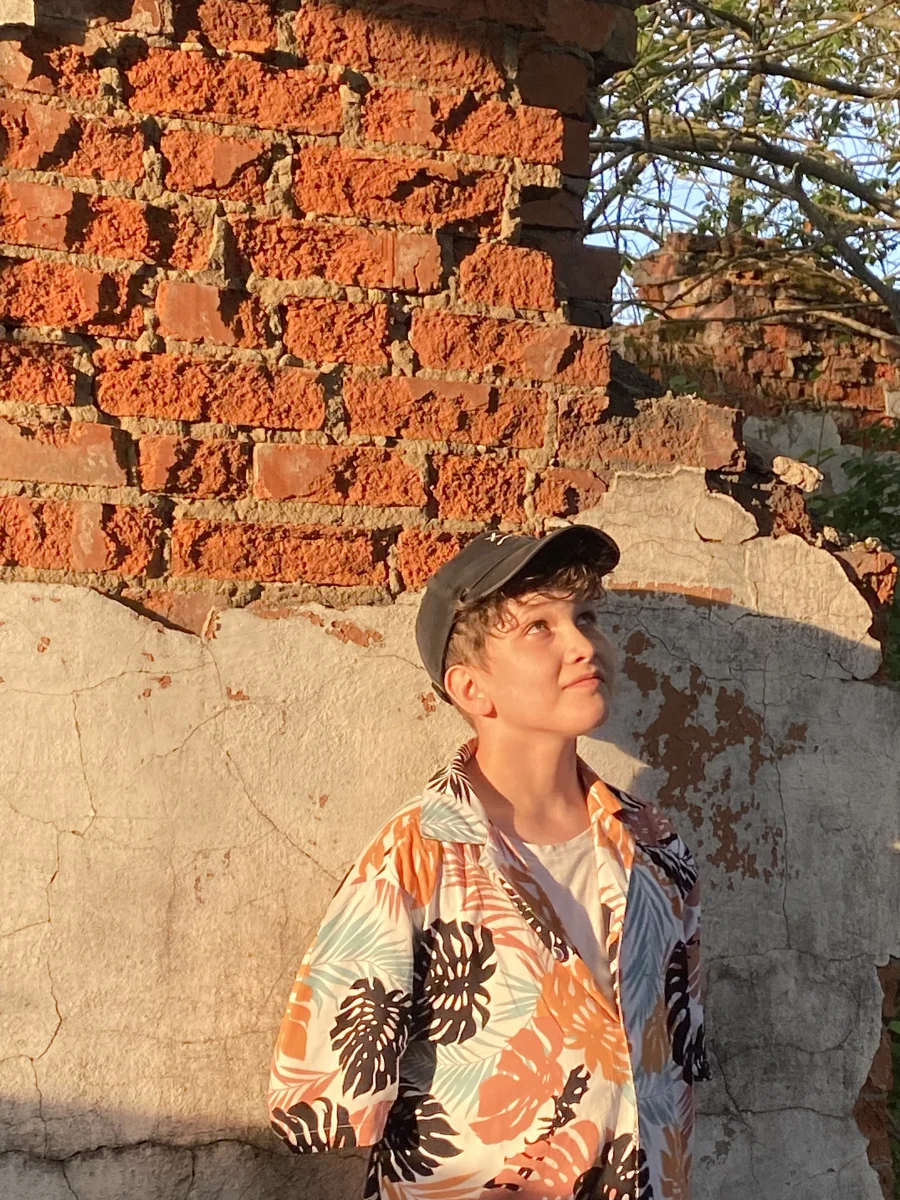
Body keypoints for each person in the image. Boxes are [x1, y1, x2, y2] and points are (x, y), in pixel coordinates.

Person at [267, 524, 709, 1200]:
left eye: (586, 618)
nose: (582, 644)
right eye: (538, 627)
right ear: (472, 688)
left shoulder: (654, 843)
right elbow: (321, 1090)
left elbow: (676, 1058)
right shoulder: (420, 852)